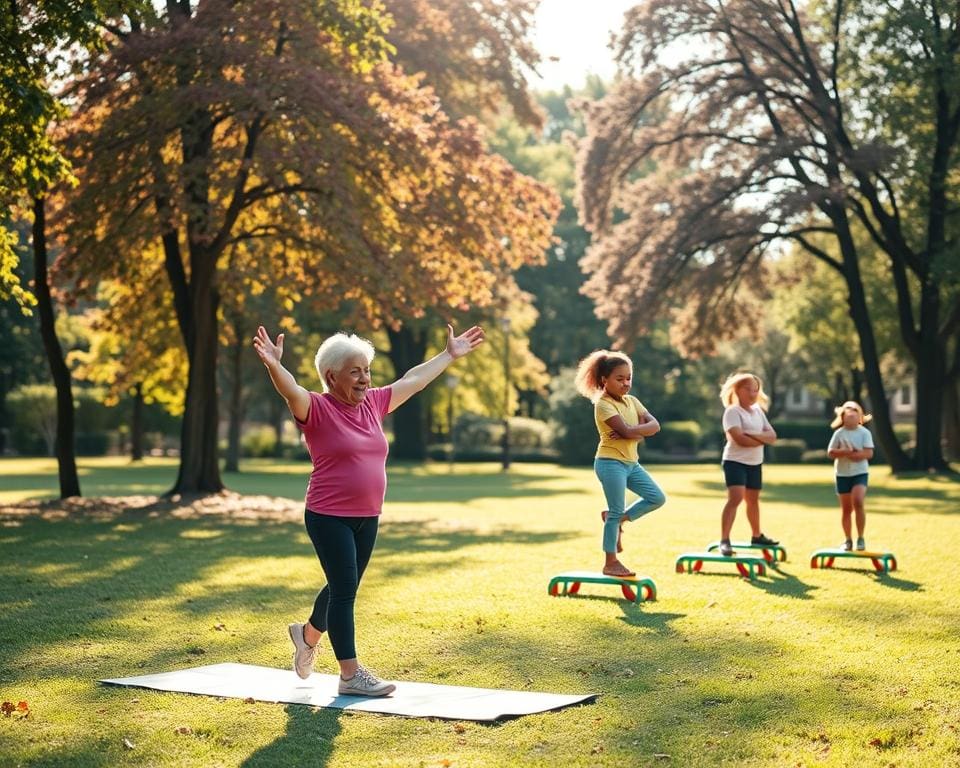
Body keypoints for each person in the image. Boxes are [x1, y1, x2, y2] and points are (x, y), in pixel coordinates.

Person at [253, 322, 484, 697]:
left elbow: (414, 380)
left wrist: (449, 355)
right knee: (345, 590)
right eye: (355, 371)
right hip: (328, 516)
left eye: (367, 371)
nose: (364, 378)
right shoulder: (316, 408)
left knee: (343, 585)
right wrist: (274, 366)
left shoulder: (374, 403)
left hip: (368, 515)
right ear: (332, 376)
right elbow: (290, 389)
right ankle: (349, 675)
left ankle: (307, 635)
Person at [574, 349, 666, 578]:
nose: (626, 383)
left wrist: (633, 431)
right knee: (615, 509)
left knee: (657, 498)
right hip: (609, 462)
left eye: (628, 378)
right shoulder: (603, 404)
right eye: (619, 378)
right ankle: (610, 562)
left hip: (631, 464)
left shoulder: (632, 401)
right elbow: (628, 431)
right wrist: (637, 431)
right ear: (604, 380)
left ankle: (618, 519)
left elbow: (655, 426)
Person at [718, 372, 778, 557]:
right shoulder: (732, 411)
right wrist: (762, 438)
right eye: (748, 389)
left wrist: (752, 435)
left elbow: (773, 437)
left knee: (753, 501)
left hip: (755, 463)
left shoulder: (758, 411)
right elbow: (739, 439)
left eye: (755, 390)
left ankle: (756, 535)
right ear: (737, 390)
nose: (753, 393)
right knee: (735, 498)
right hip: (735, 462)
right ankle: (725, 540)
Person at [826, 401, 875, 551]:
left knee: (858, 501)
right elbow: (831, 453)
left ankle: (860, 538)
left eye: (855, 411)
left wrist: (853, 454)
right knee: (846, 509)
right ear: (843, 417)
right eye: (848, 411)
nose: (852, 414)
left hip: (860, 473)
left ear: (859, 416)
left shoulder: (864, 433)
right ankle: (848, 540)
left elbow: (868, 453)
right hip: (842, 475)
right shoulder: (839, 434)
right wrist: (844, 452)